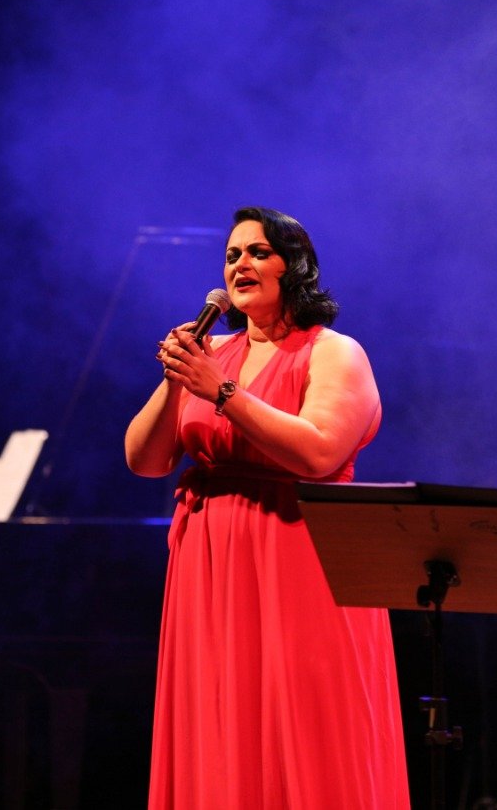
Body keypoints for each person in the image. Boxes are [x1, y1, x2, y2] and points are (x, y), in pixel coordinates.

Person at [125, 208, 410, 808]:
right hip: (210, 565)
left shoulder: (334, 353)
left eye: (258, 252)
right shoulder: (211, 352)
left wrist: (222, 392)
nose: (240, 265)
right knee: (220, 726)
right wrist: (179, 378)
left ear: (294, 266)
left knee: (304, 732)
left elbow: (318, 452)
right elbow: (145, 461)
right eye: (232, 255)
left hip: (300, 559)